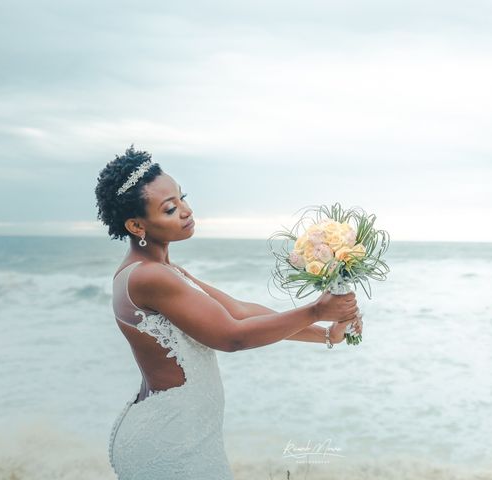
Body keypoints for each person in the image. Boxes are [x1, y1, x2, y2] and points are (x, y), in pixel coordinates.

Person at [95, 146, 363, 479]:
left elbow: (238, 311)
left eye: (182, 198)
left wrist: (325, 332)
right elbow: (231, 337)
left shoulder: (161, 269)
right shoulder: (149, 276)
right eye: (169, 208)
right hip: (171, 443)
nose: (186, 211)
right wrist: (317, 310)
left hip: (184, 434)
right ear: (137, 225)